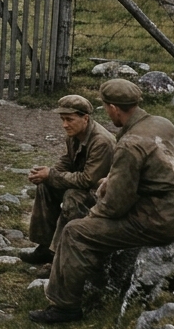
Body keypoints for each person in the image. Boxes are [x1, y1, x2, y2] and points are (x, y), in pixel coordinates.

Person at [30, 79, 174, 324]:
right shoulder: (162, 123)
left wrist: (92, 215)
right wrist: (111, 181)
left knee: (75, 232)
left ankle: (65, 307)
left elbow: (115, 206)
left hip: (161, 220)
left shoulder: (129, 143)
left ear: (112, 108)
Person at [22, 94, 115, 269]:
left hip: (102, 196)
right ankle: (45, 247)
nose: (65, 124)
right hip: (83, 187)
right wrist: (45, 174)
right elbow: (67, 161)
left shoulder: (101, 141)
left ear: (85, 118)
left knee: (73, 197)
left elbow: (88, 179)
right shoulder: (74, 135)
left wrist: (52, 175)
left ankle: (61, 256)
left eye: (69, 119)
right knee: (45, 186)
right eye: (62, 119)